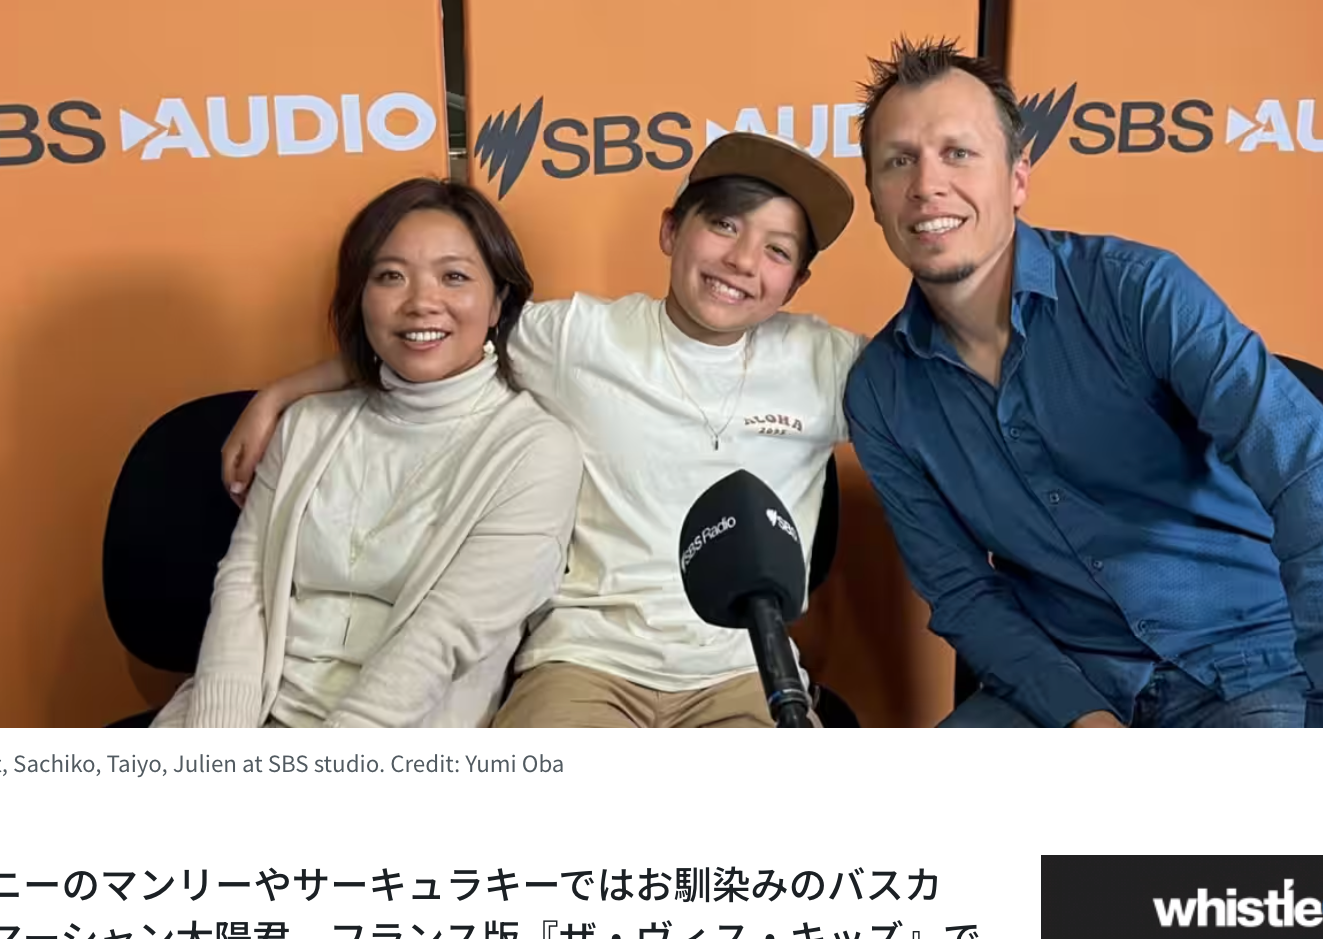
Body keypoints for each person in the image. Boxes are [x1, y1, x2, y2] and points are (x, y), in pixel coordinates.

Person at [221, 133, 863, 728]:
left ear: (797, 282)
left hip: (745, 667)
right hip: (585, 660)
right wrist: (284, 392)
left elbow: (946, 388)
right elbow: (435, 333)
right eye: (723, 225)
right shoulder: (574, 339)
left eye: (777, 250)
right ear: (671, 230)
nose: (743, 260)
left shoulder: (827, 363)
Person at [845, 37, 1323, 728]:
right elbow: (962, 593)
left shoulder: (1138, 290)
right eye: (898, 161)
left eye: (958, 153)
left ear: (1018, 179)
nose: (926, 185)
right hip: (1070, 682)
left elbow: (1316, 475)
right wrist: (1078, 716)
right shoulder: (880, 393)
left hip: (1254, 663)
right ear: (875, 199)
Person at [153, 178, 581, 728]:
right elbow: (245, 588)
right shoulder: (306, 425)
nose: (422, 301)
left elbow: (441, 640)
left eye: (454, 277)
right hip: (242, 712)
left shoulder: (535, 452)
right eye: (390, 276)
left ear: (498, 302)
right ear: (361, 297)